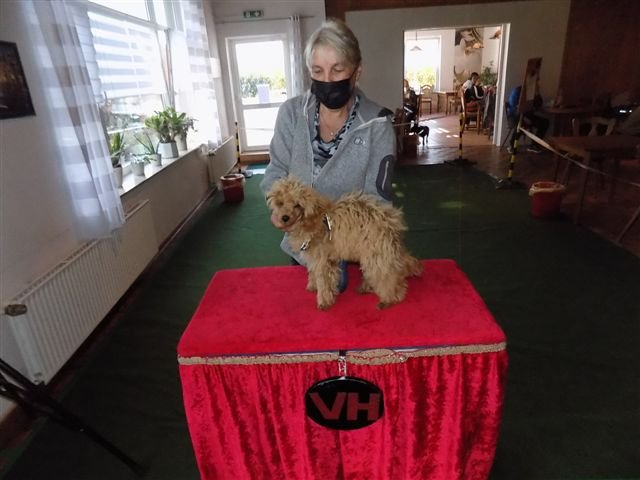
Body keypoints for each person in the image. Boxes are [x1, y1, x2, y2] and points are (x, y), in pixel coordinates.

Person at [261, 19, 396, 268]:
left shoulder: (377, 125)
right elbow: (276, 171)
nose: (327, 79)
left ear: (357, 71)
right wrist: (281, 209)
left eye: (337, 69)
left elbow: (378, 201)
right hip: (304, 250)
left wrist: (340, 239)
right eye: (317, 71)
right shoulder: (291, 113)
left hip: (355, 253)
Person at [505, 84, 549, 153]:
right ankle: (512, 144)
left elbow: (538, 104)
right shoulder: (517, 91)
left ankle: (534, 145)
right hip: (514, 116)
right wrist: (524, 118)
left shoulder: (532, 93)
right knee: (522, 123)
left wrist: (537, 93)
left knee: (545, 122)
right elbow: (513, 108)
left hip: (528, 115)